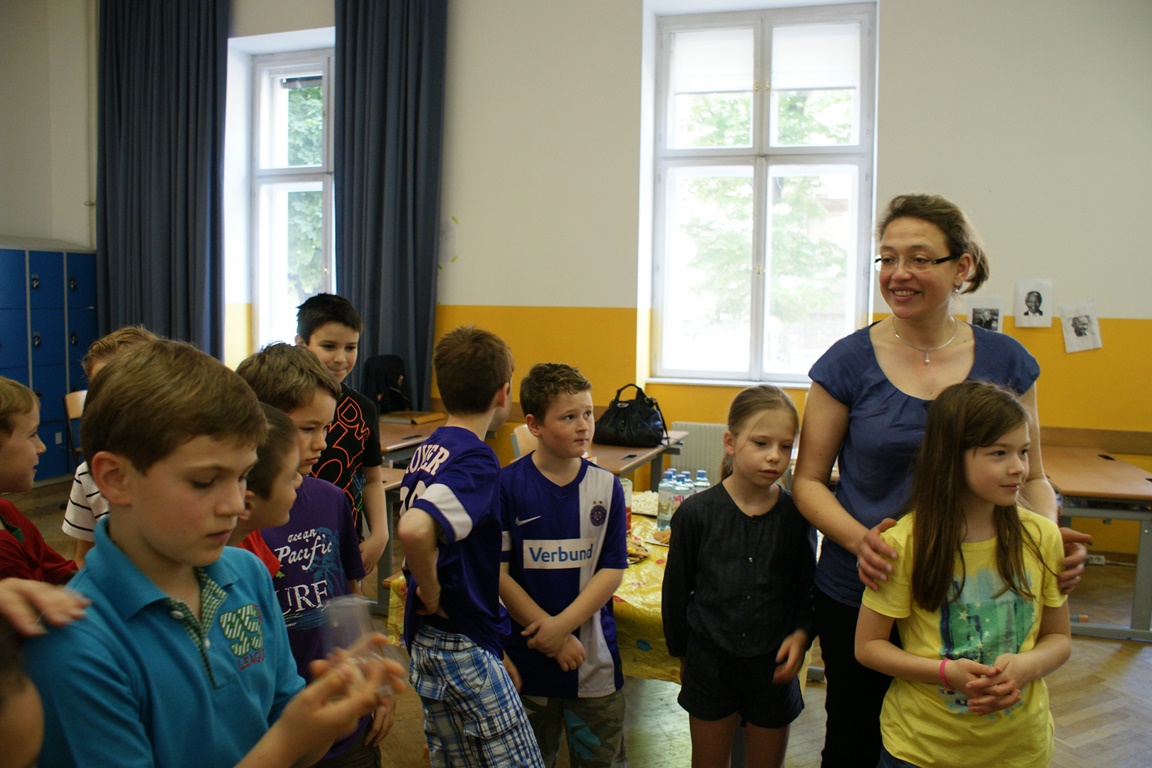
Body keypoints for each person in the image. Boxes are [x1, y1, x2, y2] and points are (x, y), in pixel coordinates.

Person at [792, 192, 1089, 767]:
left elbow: (1033, 476)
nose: (898, 273)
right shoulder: (846, 362)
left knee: (966, 734)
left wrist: (1045, 542)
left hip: (981, 590)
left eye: (920, 258)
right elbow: (807, 481)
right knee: (853, 737)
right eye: (887, 258)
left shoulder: (1007, 361)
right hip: (867, 585)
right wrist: (862, 541)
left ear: (962, 266)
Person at [23, 339, 403, 767]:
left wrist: (327, 712)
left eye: (242, 476)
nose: (235, 504)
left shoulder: (248, 572)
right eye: (204, 481)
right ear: (115, 478)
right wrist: (290, 739)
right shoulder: (75, 647)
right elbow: (285, 744)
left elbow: (294, 735)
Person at [856, 381, 1070, 767]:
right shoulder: (904, 543)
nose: (1018, 467)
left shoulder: (1042, 536)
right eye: (999, 453)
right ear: (951, 457)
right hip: (921, 750)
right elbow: (869, 646)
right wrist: (944, 672)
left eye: (1023, 451)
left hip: (1020, 750)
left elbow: (1059, 637)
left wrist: (1028, 666)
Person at [238, 342, 393, 765]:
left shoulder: (330, 499)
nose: (322, 443)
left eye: (326, 427)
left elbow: (348, 596)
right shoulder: (233, 521)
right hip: (272, 735)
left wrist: (374, 679)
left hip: (347, 722)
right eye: (307, 428)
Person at [396, 325, 543, 767]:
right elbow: (415, 530)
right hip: (459, 640)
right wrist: (431, 589)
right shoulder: (477, 459)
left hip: (434, 639)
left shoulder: (431, 445)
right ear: (503, 393)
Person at [663, 385, 815, 768]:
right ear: (730, 442)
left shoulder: (797, 516)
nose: (774, 456)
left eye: (785, 446)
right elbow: (676, 593)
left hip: (772, 669)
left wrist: (801, 634)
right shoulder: (696, 514)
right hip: (709, 666)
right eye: (761, 443)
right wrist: (683, 654)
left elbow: (807, 591)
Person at [499, 363, 629, 767]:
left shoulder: (607, 486)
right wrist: (550, 634)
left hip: (593, 665)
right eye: (569, 417)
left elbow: (611, 569)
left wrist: (561, 628)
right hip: (526, 664)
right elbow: (498, 576)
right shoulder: (505, 486)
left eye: (588, 413)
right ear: (534, 425)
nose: (584, 425)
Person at [296, 294, 388, 580]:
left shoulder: (363, 409)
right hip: (286, 541)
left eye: (350, 347)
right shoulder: (283, 404)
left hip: (343, 542)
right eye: (328, 346)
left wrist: (380, 534)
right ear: (302, 345)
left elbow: (372, 479)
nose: (340, 358)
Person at [62, 325, 159, 566]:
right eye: (100, 388)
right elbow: (84, 558)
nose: (112, 400)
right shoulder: (88, 474)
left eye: (126, 385)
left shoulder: (194, 464)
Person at [0, 377, 77, 584]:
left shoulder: (7, 513)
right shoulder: (3, 549)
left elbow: (58, 570)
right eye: (32, 434)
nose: (42, 447)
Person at [227, 403, 303, 579]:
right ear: (246, 504)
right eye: (291, 476)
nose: (299, 481)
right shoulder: (241, 569)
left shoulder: (251, 547)